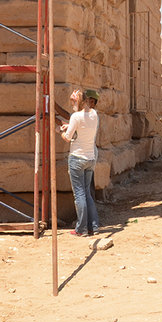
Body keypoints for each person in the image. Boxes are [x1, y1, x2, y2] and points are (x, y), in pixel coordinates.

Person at [59, 88, 102, 237]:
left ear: (80, 101)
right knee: (87, 194)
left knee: (79, 195)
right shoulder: (94, 115)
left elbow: (68, 137)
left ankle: (81, 228)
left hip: (77, 159)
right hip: (90, 158)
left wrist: (60, 130)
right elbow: (79, 122)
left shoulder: (76, 117)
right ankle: (93, 226)